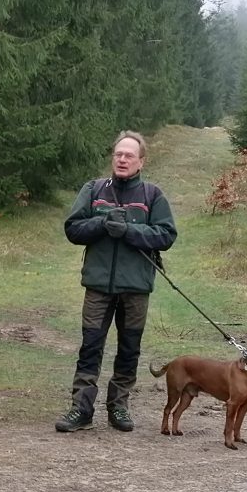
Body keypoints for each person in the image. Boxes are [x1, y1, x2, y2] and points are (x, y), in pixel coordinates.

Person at [57, 131, 177, 433]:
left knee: (129, 348)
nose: (122, 159)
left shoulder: (152, 195)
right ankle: (81, 409)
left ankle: (119, 406)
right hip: (98, 285)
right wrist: (101, 224)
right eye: (118, 154)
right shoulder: (94, 189)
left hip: (136, 288)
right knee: (90, 346)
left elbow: (166, 235)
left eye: (129, 156)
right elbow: (73, 229)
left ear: (141, 161)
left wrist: (129, 231)